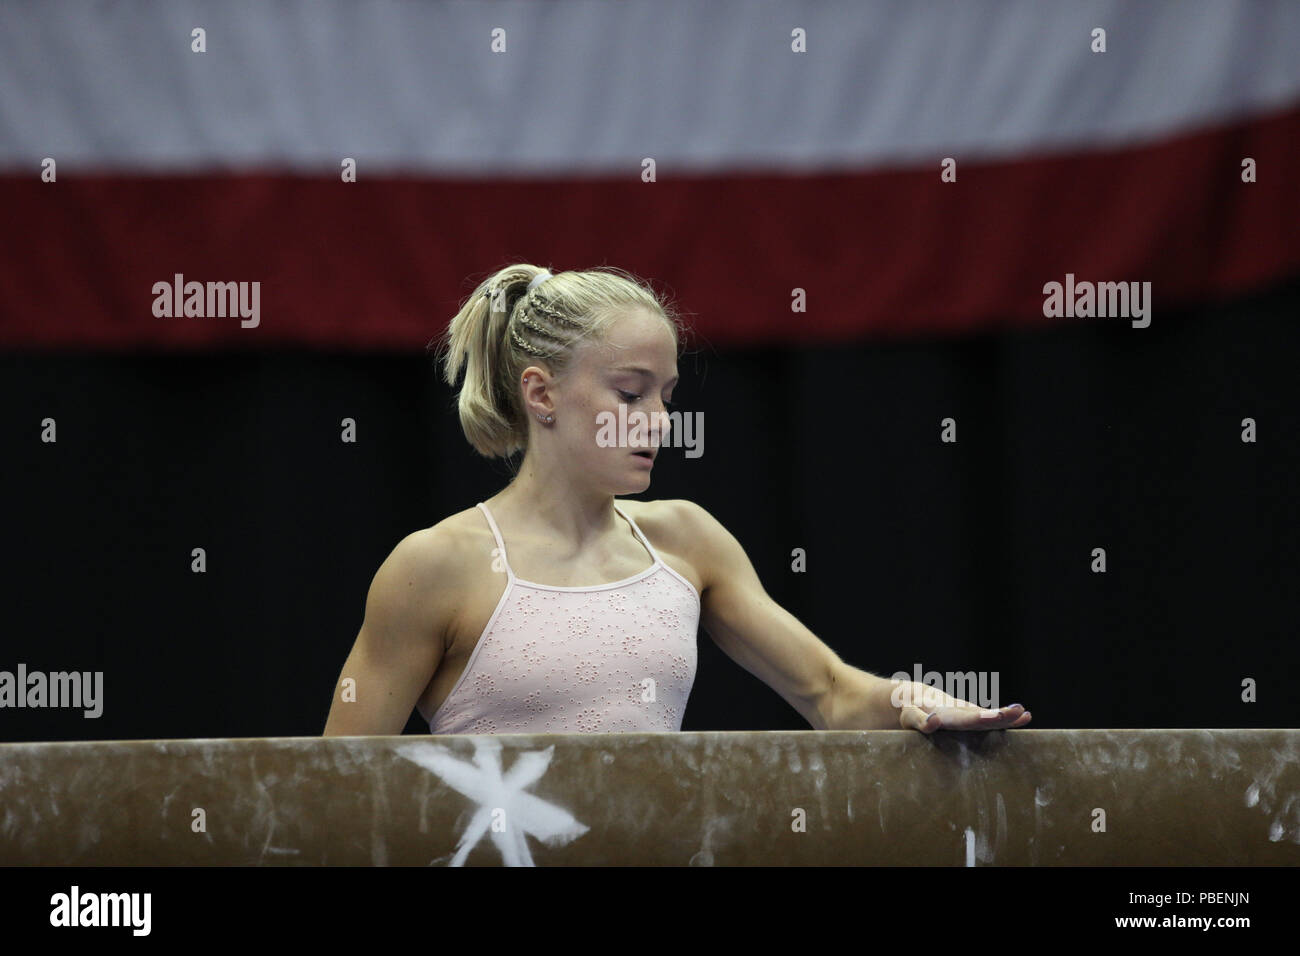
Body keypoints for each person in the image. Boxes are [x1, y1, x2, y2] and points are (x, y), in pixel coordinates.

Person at [322, 264, 1031, 736]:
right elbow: (333, 790)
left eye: (667, 397)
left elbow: (831, 693)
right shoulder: (437, 566)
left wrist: (912, 700)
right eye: (629, 393)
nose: (658, 421)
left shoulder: (686, 541)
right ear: (541, 394)